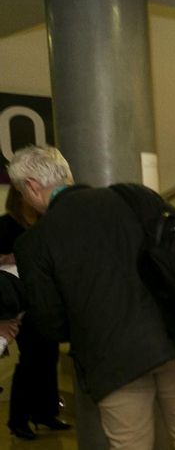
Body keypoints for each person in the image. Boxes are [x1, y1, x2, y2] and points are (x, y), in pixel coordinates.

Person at [9, 145, 175, 448]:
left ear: (30, 187)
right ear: (66, 174)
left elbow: (50, 323)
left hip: (114, 362)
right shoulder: (134, 196)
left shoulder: (34, 243)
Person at [0, 185, 68, 440]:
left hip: (46, 300)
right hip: (21, 302)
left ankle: (45, 413)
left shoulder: (44, 223)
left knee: (48, 356)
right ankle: (18, 419)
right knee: (30, 360)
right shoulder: (6, 225)